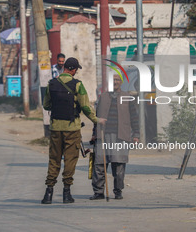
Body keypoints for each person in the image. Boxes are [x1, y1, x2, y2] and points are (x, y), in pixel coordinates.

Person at [41, 57, 106, 204]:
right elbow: (85, 107)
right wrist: (97, 120)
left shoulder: (51, 84)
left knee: (54, 159)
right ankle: (66, 193)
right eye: (76, 69)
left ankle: (48, 193)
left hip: (56, 128)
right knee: (70, 160)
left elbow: (46, 105)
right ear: (73, 69)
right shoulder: (78, 85)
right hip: (72, 129)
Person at [89, 74, 139, 200]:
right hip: (103, 135)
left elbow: (134, 117)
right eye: (113, 80)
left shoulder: (127, 97)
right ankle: (98, 192)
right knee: (99, 165)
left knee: (119, 166)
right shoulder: (103, 96)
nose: (115, 82)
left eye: (117, 80)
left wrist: (136, 135)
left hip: (120, 135)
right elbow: (96, 117)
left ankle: (118, 191)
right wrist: (94, 134)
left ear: (121, 82)